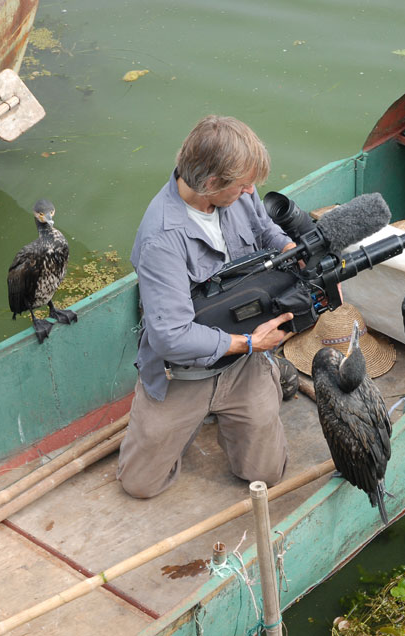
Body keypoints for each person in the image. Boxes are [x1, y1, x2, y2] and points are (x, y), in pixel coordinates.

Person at [117, 115, 297, 499]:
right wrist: (250, 343)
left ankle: (262, 380)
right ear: (211, 184)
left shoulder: (241, 196)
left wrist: (289, 251)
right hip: (182, 374)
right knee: (139, 485)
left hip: (244, 363)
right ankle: (197, 414)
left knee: (266, 474)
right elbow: (171, 337)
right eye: (243, 184)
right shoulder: (161, 240)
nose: (252, 190)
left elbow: (265, 230)